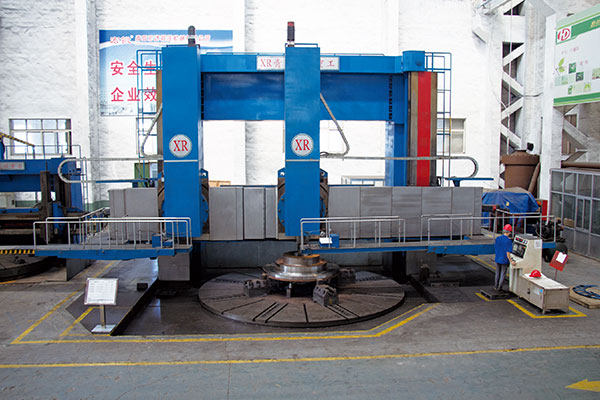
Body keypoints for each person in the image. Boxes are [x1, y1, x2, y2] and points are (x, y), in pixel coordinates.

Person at [494, 224, 514, 292]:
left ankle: (496, 286)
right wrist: (511, 261)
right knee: (503, 274)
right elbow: (508, 252)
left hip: (497, 258)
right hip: (504, 259)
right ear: (509, 232)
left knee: (497, 273)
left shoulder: (498, 238)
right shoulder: (508, 241)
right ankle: (500, 288)